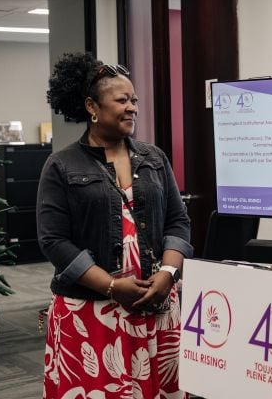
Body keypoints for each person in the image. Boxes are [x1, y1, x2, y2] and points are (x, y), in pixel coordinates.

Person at [37, 52, 193, 398]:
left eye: (134, 100)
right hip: (90, 312)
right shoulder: (61, 165)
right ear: (92, 106)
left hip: (156, 306)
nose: (132, 107)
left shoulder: (154, 158)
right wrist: (110, 286)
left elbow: (178, 222)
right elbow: (54, 241)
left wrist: (167, 273)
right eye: (122, 100)